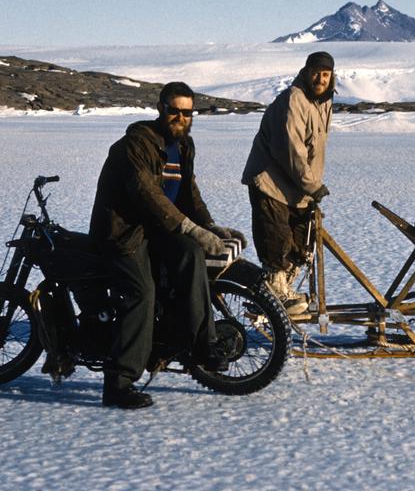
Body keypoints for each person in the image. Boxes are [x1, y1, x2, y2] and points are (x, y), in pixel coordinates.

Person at [90, 81, 245, 409]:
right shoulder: (136, 144)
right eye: (174, 110)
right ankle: (118, 383)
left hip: (158, 231)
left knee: (191, 255)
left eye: (187, 112)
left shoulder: (184, 145)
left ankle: (202, 347)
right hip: (125, 234)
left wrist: (209, 226)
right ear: (161, 109)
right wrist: (189, 227)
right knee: (141, 295)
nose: (180, 117)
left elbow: (189, 193)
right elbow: (148, 196)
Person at [241, 51, 334, 315]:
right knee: (276, 242)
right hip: (270, 182)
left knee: (300, 242)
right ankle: (274, 296)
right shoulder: (295, 100)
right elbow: (290, 150)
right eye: (315, 72)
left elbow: (313, 150)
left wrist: (310, 186)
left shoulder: (322, 103)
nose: (320, 78)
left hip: (295, 186)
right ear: (306, 72)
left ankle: (281, 294)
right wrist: (312, 185)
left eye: (325, 74)